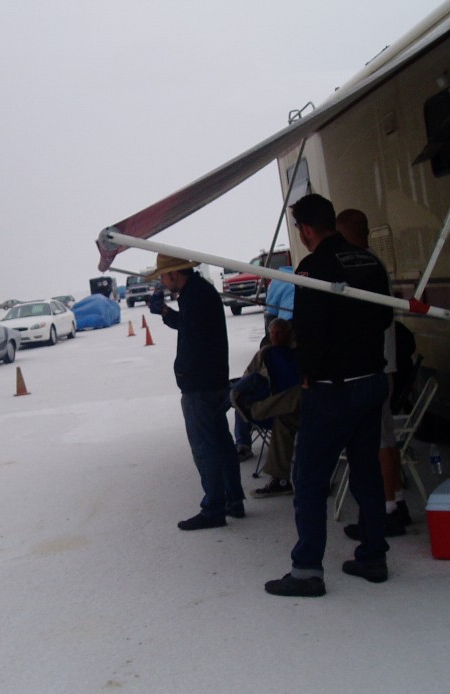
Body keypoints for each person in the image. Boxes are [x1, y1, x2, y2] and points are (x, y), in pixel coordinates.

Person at [265, 194, 393, 598]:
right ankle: (373, 555)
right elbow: (386, 315)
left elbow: (311, 331)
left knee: (309, 479)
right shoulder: (369, 261)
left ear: (305, 229)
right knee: (367, 473)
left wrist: (304, 371)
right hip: (372, 383)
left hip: (333, 391)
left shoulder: (313, 268)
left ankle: (306, 572)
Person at [147, 253, 246, 530]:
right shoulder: (199, 292)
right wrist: (166, 312)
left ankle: (214, 508)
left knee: (205, 447)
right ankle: (233, 500)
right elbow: (190, 327)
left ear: (175, 273)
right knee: (222, 442)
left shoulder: (195, 295)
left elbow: (192, 335)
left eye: (164, 277)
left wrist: (183, 372)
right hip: (213, 380)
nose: (164, 283)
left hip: (200, 384)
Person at [335, 208, 412, 540]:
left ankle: (388, 513)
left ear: (351, 233)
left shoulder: (360, 266)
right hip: (386, 365)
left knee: (380, 444)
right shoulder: (374, 264)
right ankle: (399, 503)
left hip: (376, 367)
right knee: (387, 441)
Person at [230, 318, 300, 497]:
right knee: (242, 397)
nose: (275, 336)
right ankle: (244, 446)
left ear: (288, 333)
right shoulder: (264, 354)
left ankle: (253, 410)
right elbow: (248, 374)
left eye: (280, 332)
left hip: (303, 404)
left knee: (297, 394)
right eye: (272, 333)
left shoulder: (296, 353)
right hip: (273, 403)